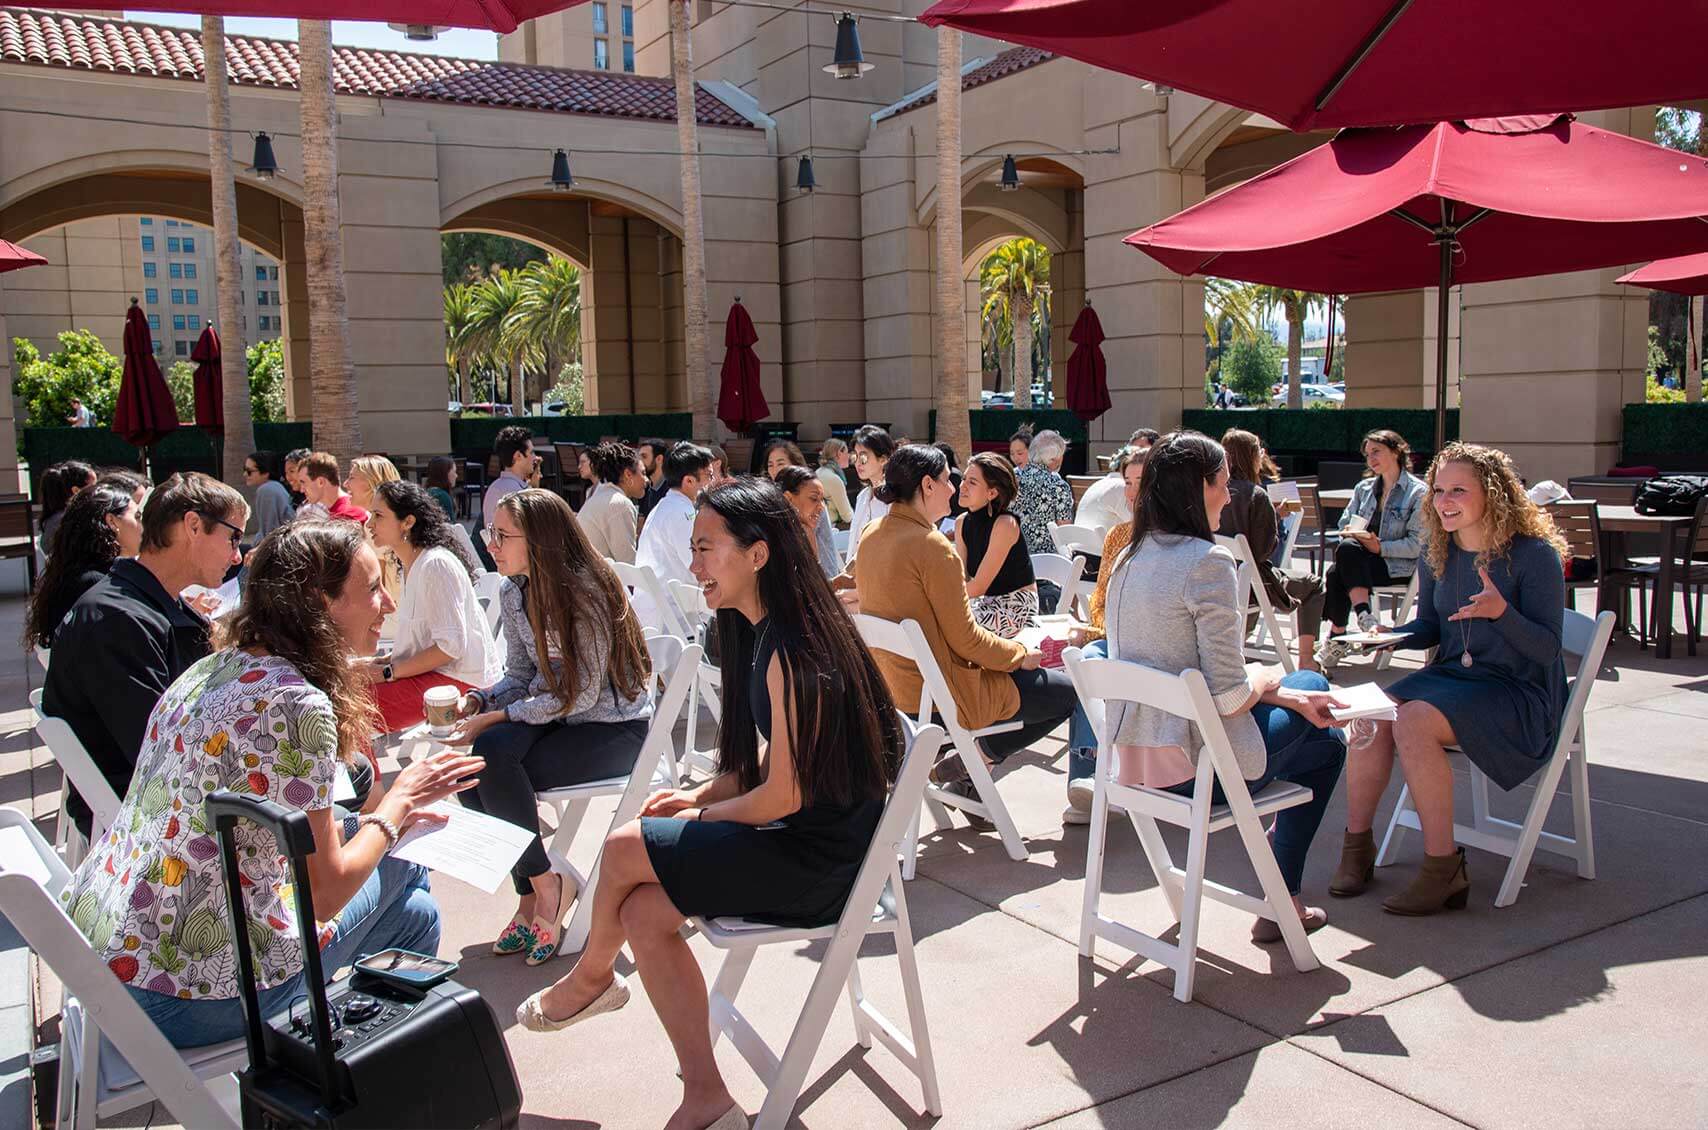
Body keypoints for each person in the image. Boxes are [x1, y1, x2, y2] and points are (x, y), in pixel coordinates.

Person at [515, 478, 902, 1130]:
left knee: (623, 847)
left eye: (705, 548)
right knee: (641, 911)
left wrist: (699, 816)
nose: (692, 566)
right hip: (797, 837)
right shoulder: (766, 631)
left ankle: (591, 978)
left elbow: (782, 793)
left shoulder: (794, 649)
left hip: (822, 864)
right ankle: (707, 1097)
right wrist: (697, 794)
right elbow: (768, 762)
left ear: (758, 554)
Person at [56, 519, 482, 1048]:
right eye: (374, 588)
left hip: (116, 958)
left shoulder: (211, 669)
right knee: (406, 865)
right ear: (321, 604)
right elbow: (326, 895)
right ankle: (380, 1069)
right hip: (186, 996)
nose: (388, 605)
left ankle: (375, 1065)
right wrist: (399, 802)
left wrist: (382, 820)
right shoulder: (297, 703)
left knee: (413, 906)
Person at [1102, 432, 1347, 941]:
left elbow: (1197, 676)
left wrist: (1282, 691)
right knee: (1326, 735)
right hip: (1198, 770)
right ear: (1198, 488)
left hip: (1137, 763)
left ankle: (1283, 894)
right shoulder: (1207, 562)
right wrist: (1268, 677)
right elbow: (1232, 696)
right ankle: (1283, 896)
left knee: (1306, 691)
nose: (1229, 493)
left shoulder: (1128, 556)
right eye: (1222, 482)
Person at [1333, 443, 1569, 916]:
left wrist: (1501, 613)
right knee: (1370, 714)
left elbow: (1547, 649)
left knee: (1414, 721)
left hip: (1518, 691)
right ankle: (1357, 847)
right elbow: (1432, 627)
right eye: (1439, 490)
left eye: (1458, 490)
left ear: (1494, 494)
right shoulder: (1438, 550)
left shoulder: (1533, 555)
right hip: (1455, 678)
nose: (1444, 501)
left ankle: (1443, 868)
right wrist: (1390, 636)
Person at [450, 489, 652, 965]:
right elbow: (522, 675)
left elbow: (583, 694)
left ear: (539, 540)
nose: (491, 545)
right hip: (557, 716)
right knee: (475, 770)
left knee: (491, 761)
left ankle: (541, 893)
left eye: (502, 536)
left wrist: (501, 715)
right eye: (491, 533)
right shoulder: (513, 591)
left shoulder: (586, 592)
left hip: (611, 727)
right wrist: (481, 699)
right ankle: (539, 888)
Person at [850, 445, 1077, 819]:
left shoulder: (873, 534)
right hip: (945, 696)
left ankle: (970, 772)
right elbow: (967, 640)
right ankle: (977, 761)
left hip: (900, 695)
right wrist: (1020, 656)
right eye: (946, 480)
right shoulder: (931, 547)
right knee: (1069, 694)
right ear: (927, 485)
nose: (953, 489)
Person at [43, 473, 248, 838]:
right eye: (233, 536)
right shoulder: (117, 619)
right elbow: (163, 752)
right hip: (155, 823)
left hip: (172, 803)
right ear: (193, 526)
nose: (237, 555)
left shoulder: (140, 604)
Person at [363, 480, 500, 733]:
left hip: (462, 688)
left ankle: (361, 762)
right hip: (439, 678)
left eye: (378, 515)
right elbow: (422, 642)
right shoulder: (414, 564)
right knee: (345, 691)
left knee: (351, 708)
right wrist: (377, 663)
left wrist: (387, 672)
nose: (369, 523)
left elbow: (450, 647)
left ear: (407, 522)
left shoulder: (435, 565)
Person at [1060, 449, 1147, 824]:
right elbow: (1099, 604)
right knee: (1083, 660)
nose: (1132, 492)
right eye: (1128, 482)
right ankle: (1087, 778)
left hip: (1154, 650)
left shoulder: (1176, 540)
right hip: (1114, 642)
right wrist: (1093, 630)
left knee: (1093, 658)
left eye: (1141, 482)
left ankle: (1094, 775)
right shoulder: (1118, 536)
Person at [1314, 429, 1427, 670]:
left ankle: (1338, 636)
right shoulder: (1363, 489)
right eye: (1367, 454)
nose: (1371, 458)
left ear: (1396, 452)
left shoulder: (1418, 492)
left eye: (1376, 451)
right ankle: (1363, 619)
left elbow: (1416, 545)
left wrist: (1380, 547)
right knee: (1345, 553)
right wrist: (1355, 534)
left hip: (1397, 566)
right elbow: (1344, 525)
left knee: (1337, 571)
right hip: (1361, 563)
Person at [1219, 429, 1327, 672]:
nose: (1262, 455)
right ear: (1250, 456)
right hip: (1253, 585)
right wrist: (1275, 518)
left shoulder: (1211, 490)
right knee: (1315, 585)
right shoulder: (1256, 495)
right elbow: (1264, 551)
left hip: (1220, 578)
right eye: (1259, 450)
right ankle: (1307, 661)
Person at [24, 482, 142, 650]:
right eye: (137, 516)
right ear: (112, 521)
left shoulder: (81, 572)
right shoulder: (97, 584)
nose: (145, 524)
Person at [955, 453, 1038, 638]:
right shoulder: (961, 522)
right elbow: (961, 577)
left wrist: (940, 598)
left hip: (1015, 607)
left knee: (952, 623)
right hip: (983, 603)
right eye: (963, 479)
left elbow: (979, 586)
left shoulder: (1005, 524)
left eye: (972, 482)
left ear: (992, 493)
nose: (962, 486)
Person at [635, 443, 714, 626]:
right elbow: (698, 568)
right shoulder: (682, 513)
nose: (713, 481)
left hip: (656, 612)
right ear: (689, 481)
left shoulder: (666, 506)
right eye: (709, 476)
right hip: (674, 618)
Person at [1012, 430, 1076, 612]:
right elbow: (1064, 532)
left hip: (1015, 560)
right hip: (1050, 566)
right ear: (1054, 459)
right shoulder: (1058, 486)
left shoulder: (1011, 480)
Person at [765, 441, 838, 573]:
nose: (775, 469)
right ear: (788, 497)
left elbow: (825, 559)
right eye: (770, 465)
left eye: (780, 463)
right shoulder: (770, 520)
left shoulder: (811, 514)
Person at [579, 441, 646, 564]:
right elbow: (627, 563)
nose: (646, 480)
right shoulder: (620, 505)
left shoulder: (600, 496)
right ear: (628, 474)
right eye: (643, 473)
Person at [774, 465, 840, 578]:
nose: (821, 507)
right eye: (814, 499)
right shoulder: (772, 542)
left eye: (823, 500)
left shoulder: (807, 534)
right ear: (788, 499)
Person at [844, 424, 894, 564]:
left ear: (883, 459)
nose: (858, 463)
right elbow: (854, 545)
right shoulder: (862, 496)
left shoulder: (896, 499)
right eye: (855, 457)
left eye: (863, 457)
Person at [1075, 446, 1140, 535]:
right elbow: (1140, 527)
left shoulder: (1098, 484)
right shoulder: (1121, 486)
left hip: (1078, 542)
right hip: (1102, 543)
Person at [483, 425, 538, 529]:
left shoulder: (496, 487)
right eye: (531, 452)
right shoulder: (516, 492)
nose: (535, 457)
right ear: (518, 456)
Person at [39, 460, 96, 555]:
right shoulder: (66, 521)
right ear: (76, 491)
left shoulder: (58, 518)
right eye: (93, 487)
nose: (98, 490)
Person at [298, 452, 370, 524]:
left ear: (320, 482)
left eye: (303, 482)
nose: (301, 490)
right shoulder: (338, 512)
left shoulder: (347, 515)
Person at [244, 451, 295, 541]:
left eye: (249, 471)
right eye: (244, 469)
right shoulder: (274, 486)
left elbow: (269, 532)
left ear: (265, 473)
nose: (245, 474)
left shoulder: (267, 490)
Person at [816, 438, 854, 526]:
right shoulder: (834, 479)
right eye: (847, 452)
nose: (848, 456)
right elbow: (847, 516)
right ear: (839, 453)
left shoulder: (818, 472)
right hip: (831, 528)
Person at [636, 438, 670, 519]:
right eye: (639, 458)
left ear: (659, 459)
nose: (640, 462)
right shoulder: (645, 489)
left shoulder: (671, 490)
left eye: (644, 457)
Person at [425, 455, 460, 520]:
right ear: (444, 474)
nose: (456, 476)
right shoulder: (442, 496)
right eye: (454, 472)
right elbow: (450, 524)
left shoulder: (428, 492)